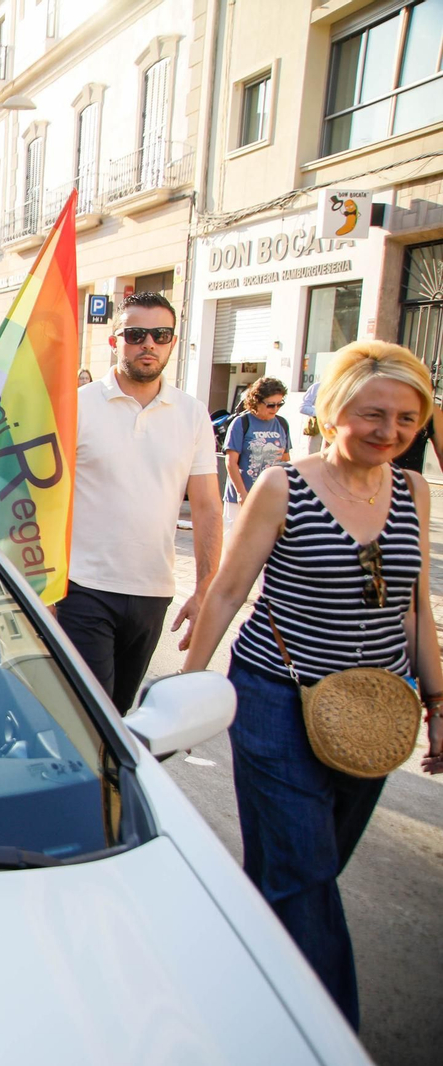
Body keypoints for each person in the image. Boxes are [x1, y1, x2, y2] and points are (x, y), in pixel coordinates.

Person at [182, 340, 443, 1028]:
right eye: (374, 414)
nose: (390, 432)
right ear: (333, 414)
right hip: (276, 701)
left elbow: (416, 606)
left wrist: (438, 704)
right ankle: (328, 1034)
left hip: (377, 710)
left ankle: (235, 989)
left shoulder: (413, 491)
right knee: (306, 874)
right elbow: (227, 592)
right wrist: (184, 691)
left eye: (407, 419)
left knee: (290, 874)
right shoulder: (284, 486)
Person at [56, 292, 222, 712]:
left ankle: (107, 780)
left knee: (121, 714)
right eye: (136, 334)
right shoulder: (77, 405)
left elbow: (206, 506)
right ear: (115, 341)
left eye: (160, 334)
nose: (148, 343)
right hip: (82, 588)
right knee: (91, 716)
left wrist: (205, 588)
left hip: (153, 590)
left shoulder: (192, 414)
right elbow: (46, 495)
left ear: (172, 342)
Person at [223, 377, 293, 530]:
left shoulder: (282, 424)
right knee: (233, 543)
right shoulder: (241, 423)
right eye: (270, 405)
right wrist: (241, 493)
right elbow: (230, 462)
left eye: (279, 404)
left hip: (270, 497)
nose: (275, 409)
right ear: (256, 401)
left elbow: (285, 461)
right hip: (241, 496)